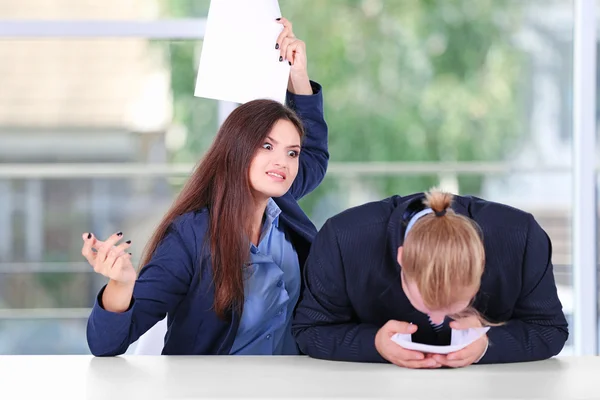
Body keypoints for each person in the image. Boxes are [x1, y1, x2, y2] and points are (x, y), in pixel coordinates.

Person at [82, 18, 329, 356]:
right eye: (267, 147)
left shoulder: (282, 207)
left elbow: (313, 154)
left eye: (291, 153)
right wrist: (121, 284)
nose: (282, 162)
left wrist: (297, 77)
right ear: (237, 150)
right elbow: (105, 343)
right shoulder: (191, 237)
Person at [292, 188, 568, 368]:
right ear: (401, 260)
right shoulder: (344, 239)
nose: (437, 320)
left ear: (481, 263)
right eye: (427, 303)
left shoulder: (521, 237)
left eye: (453, 305)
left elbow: (549, 329)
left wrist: (488, 343)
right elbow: (310, 330)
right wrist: (375, 343)